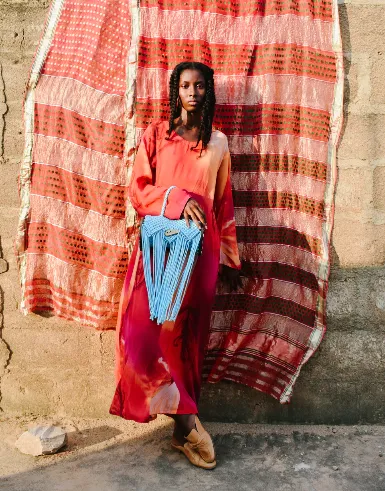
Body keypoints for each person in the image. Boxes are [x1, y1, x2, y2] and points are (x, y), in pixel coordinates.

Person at [110, 61, 241, 469]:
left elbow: (222, 203)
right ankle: (188, 423)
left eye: (200, 85)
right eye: (185, 85)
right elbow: (138, 190)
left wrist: (231, 258)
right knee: (143, 335)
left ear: (208, 91)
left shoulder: (218, 143)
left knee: (184, 341)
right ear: (175, 90)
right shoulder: (156, 136)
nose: (193, 92)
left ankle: (183, 430)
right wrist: (178, 200)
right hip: (156, 253)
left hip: (200, 255)